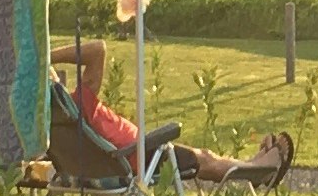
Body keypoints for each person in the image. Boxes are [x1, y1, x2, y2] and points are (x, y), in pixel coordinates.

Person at [61, 35, 288, 186]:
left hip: (123, 159)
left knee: (203, 156)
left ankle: (251, 164)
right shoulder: (79, 103)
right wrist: (44, 57)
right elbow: (97, 49)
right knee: (204, 159)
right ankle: (261, 170)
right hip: (138, 158)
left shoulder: (60, 118)